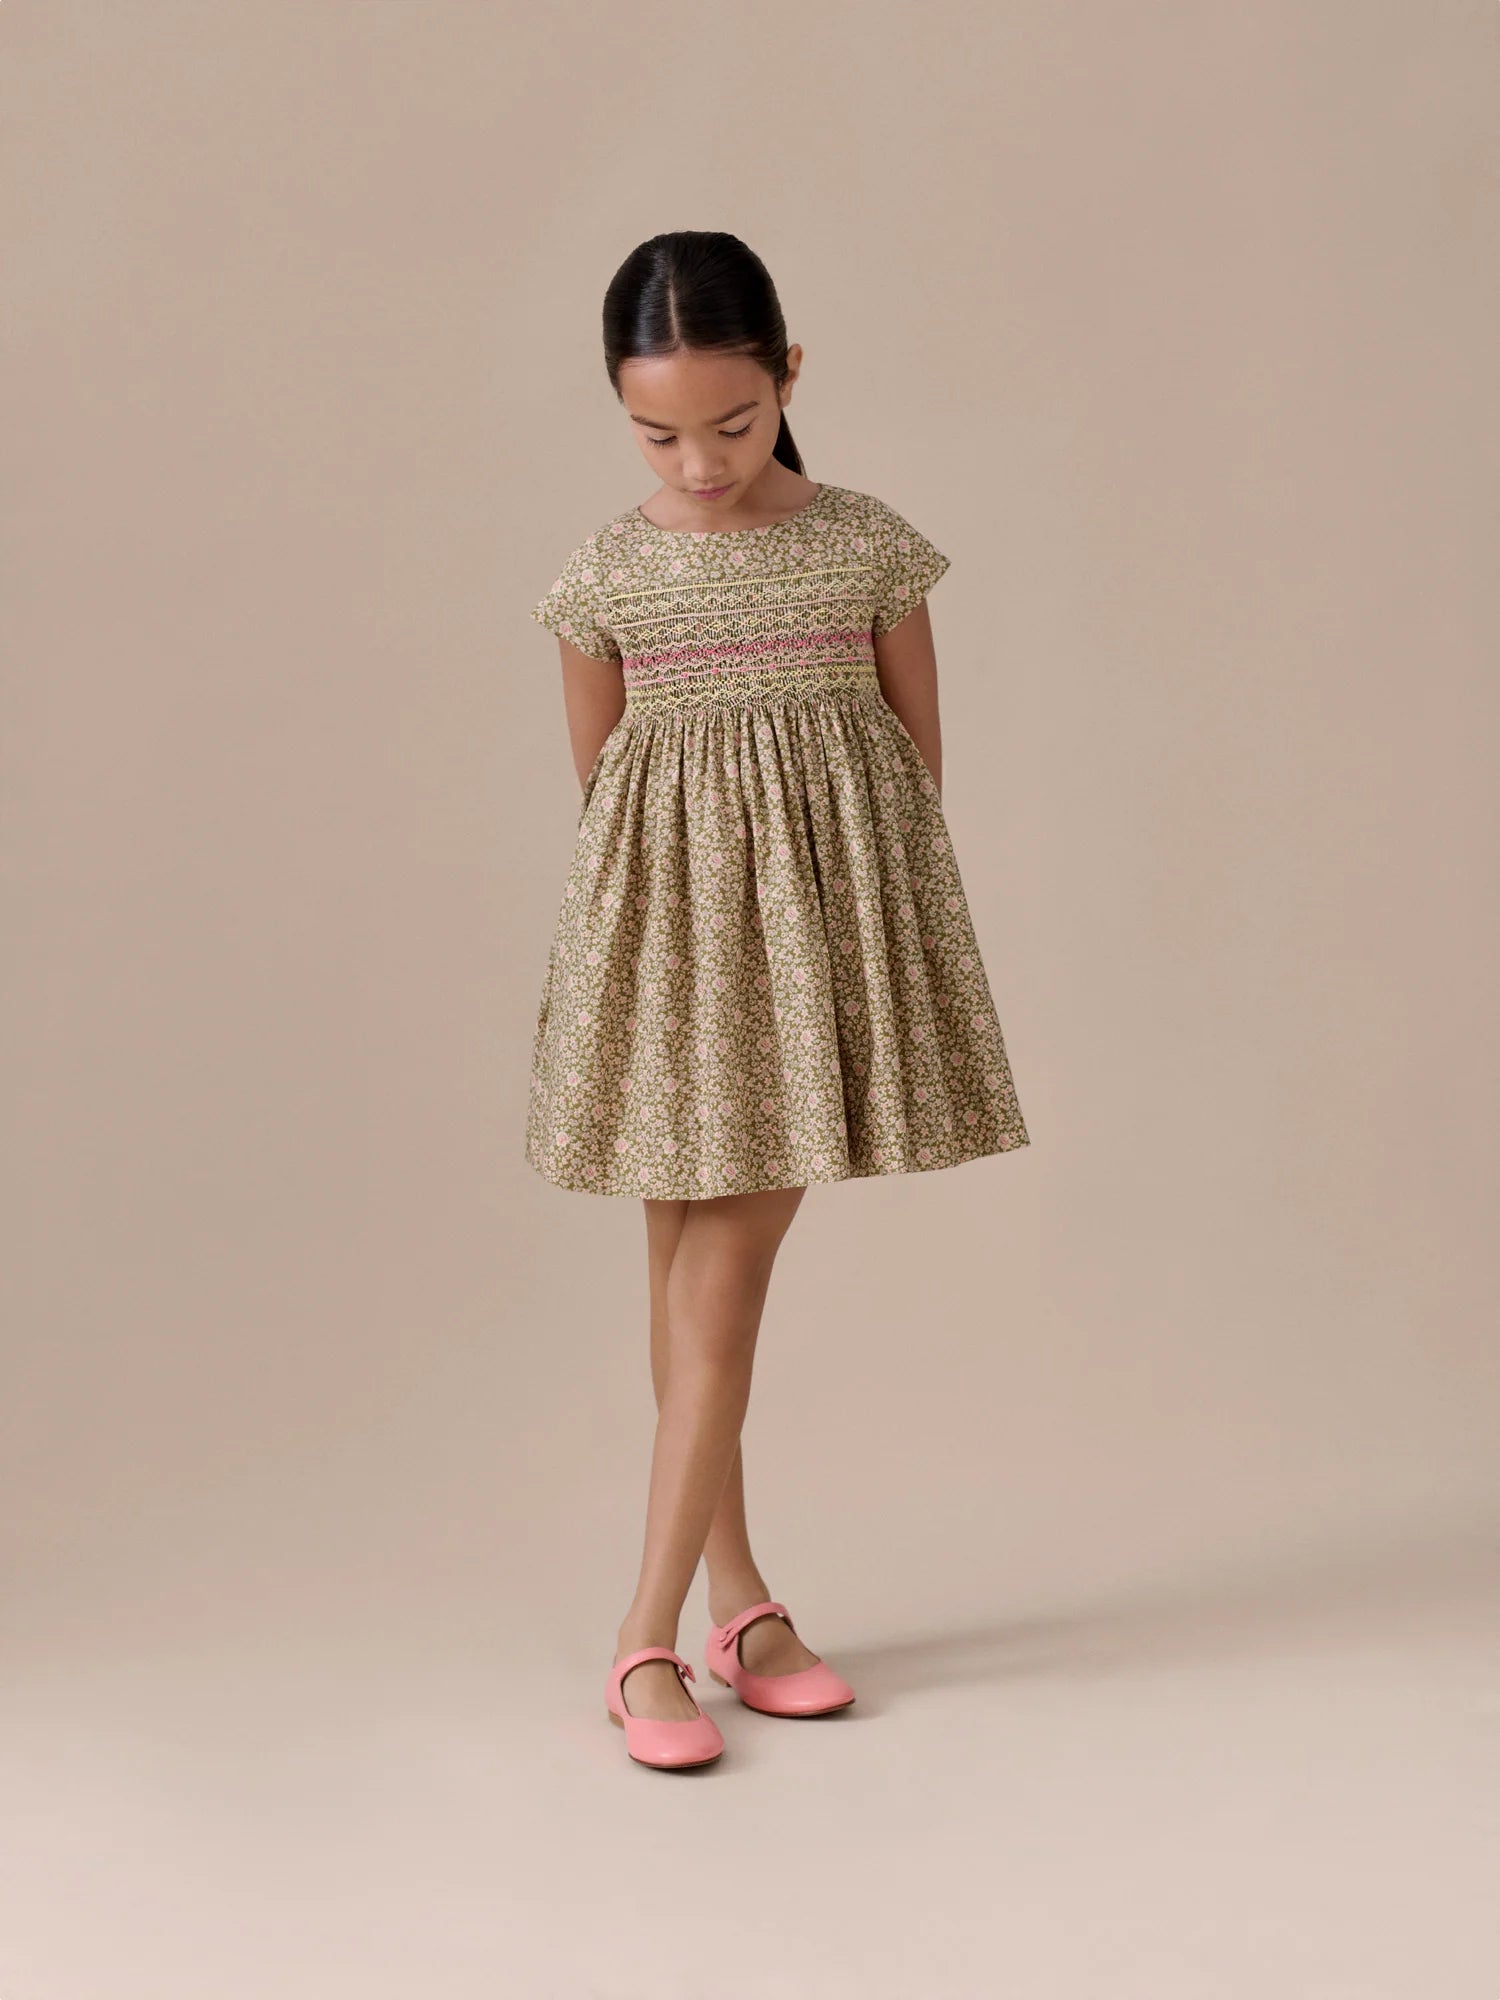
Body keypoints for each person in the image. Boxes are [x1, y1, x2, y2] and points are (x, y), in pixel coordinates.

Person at [526, 230, 1031, 1770]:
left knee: (714, 1291)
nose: (696, 462)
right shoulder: (607, 570)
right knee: (694, 1288)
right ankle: (676, 1632)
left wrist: (845, 962)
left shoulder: (869, 545)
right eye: (657, 432)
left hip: (815, 967)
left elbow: (914, 768)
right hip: (671, 963)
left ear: (790, 377)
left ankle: (686, 1621)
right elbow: (603, 786)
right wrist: (671, 962)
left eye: (732, 427)